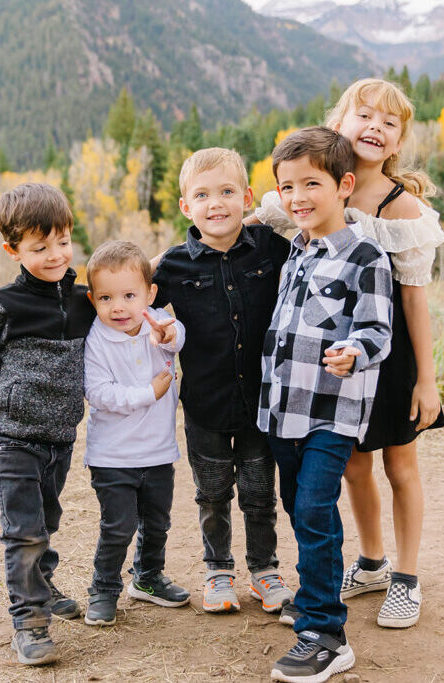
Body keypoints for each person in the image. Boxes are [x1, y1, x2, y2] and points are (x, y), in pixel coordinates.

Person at [253, 78, 444, 629]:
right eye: (364, 115)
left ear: (398, 140)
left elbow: (415, 302)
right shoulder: (312, 189)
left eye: (389, 123)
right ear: (338, 122)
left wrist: (425, 379)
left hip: (390, 353)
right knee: (354, 466)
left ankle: (406, 578)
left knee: (400, 463)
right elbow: (257, 223)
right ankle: (370, 562)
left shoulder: (402, 208)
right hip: (330, 362)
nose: (375, 128)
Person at [259, 127, 393, 682]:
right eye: (286, 187)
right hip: (281, 410)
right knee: (298, 506)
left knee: (315, 508)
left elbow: (379, 329)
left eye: (310, 183)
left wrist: (354, 351)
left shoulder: (366, 255)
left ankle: (325, 631)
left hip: (331, 412)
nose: (297, 198)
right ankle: (315, 592)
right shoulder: (296, 247)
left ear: (342, 185)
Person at [152, 147, 294, 614]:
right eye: (203, 195)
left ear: (247, 197)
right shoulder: (172, 266)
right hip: (205, 406)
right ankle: (218, 572)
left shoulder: (271, 249)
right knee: (212, 494)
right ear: (185, 207)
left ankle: (265, 571)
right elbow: (131, 293)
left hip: (261, 402)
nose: (216, 203)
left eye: (227, 192)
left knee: (259, 493)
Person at [0, 183, 95, 665]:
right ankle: (30, 621)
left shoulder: (86, 299)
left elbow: (128, 315)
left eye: (62, 242)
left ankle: (43, 582)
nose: (55, 255)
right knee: (24, 530)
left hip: (61, 437)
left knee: (47, 520)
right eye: (40, 248)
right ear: (12, 250)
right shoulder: (4, 304)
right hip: (12, 436)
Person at [82, 240, 190, 627]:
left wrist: (170, 334)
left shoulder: (157, 322)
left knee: (157, 522)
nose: (119, 307)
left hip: (158, 451)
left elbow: (178, 335)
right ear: (93, 299)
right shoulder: (96, 339)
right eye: (107, 298)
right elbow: (98, 394)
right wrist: (151, 393)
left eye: (130, 295)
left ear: (150, 293)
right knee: (119, 526)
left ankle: (147, 578)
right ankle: (104, 588)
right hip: (113, 456)